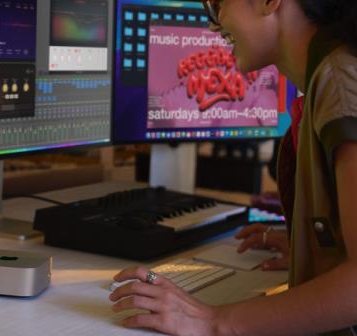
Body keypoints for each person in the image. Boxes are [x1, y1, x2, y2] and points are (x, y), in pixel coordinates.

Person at [108, 0, 357, 334]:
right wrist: (311, 245)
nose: (214, 23)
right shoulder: (329, 77)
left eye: (218, 3)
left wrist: (213, 322)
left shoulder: (339, 81)